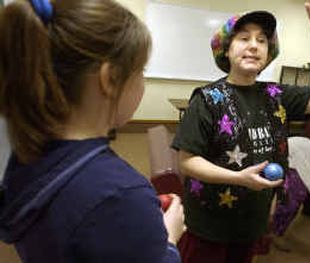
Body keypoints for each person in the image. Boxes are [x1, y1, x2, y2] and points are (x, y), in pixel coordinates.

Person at [0, 0, 184, 262]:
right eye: (140, 70)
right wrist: (168, 240)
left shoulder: (26, 156)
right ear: (110, 78)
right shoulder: (122, 194)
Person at [172, 1, 310, 262]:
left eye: (262, 40)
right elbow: (187, 162)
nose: (254, 45)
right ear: (226, 51)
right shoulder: (207, 99)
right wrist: (238, 178)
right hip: (209, 223)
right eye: (243, 38)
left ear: (268, 53)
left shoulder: (275, 95)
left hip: (252, 220)